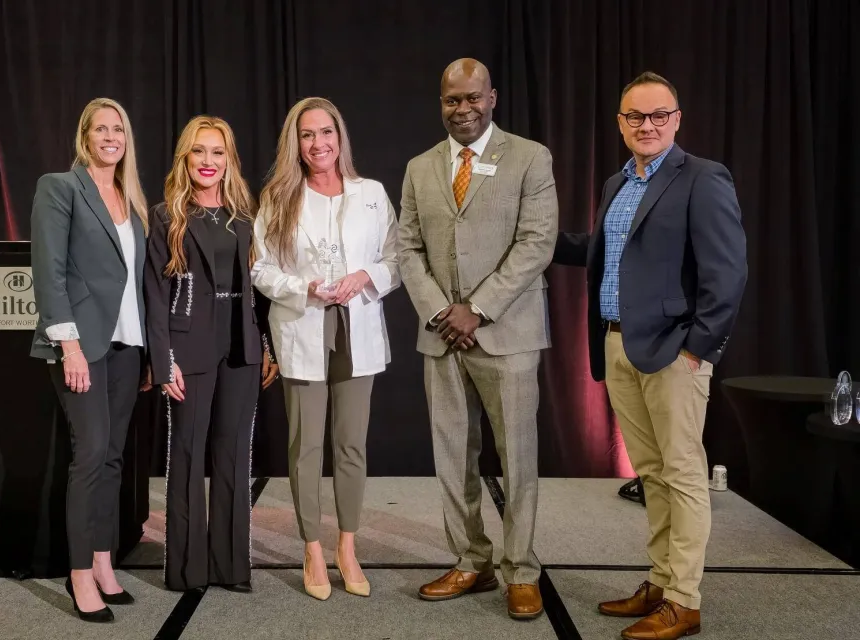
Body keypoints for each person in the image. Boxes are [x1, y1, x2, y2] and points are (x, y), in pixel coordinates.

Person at [553, 71, 747, 640]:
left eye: (659, 115)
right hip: (619, 343)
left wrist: (697, 350)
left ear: (677, 119)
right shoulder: (618, 183)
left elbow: (727, 273)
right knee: (654, 474)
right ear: (620, 123)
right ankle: (662, 582)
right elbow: (604, 252)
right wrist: (538, 239)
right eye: (635, 117)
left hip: (674, 353)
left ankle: (685, 600)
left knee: (683, 475)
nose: (647, 125)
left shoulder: (704, 179)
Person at [398, 58, 558, 620]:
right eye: (451, 100)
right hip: (443, 337)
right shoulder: (420, 168)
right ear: (440, 103)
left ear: (492, 98)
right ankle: (471, 559)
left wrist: (480, 309)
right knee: (452, 460)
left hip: (507, 335)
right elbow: (408, 248)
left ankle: (522, 570)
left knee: (517, 459)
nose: (462, 109)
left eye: (472, 98)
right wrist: (445, 312)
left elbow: (537, 243)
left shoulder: (530, 157)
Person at [251, 97, 400, 601]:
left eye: (326, 132)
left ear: (340, 136)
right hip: (304, 326)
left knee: (351, 445)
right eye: (307, 135)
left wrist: (365, 276)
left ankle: (347, 546)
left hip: (356, 329)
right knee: (306, 447)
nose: (318, 143)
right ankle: (312, 547)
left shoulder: (372, 193)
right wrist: (304, 288)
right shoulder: (277, 197)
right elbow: (260, 269)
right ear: (296, 143)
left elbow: (397, 258)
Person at [144, 115, 279, 593]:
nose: (208, 161)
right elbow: (154, 296)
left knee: (233, 457)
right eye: (199, 151)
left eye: (217, 152)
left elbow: (261, 291)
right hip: (189, 348)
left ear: (229, 160)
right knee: (185, 454)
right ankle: (186, 570)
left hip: (241, 347)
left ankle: (230, 567)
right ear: (186, 157)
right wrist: (163, 361)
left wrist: (267, 345)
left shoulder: (246, 216)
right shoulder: (166, 216)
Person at [30, 97, 150, 622]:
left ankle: (104, 562)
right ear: (85, 135)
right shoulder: (60, 186)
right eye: (100, 128)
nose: (110, 136)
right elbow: (48, 270)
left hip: (127, 344)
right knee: (91, 452)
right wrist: (69, 345)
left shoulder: (130, 194)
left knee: (114, 457)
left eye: (117, 128)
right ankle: (79, 573)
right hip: (80, 346)